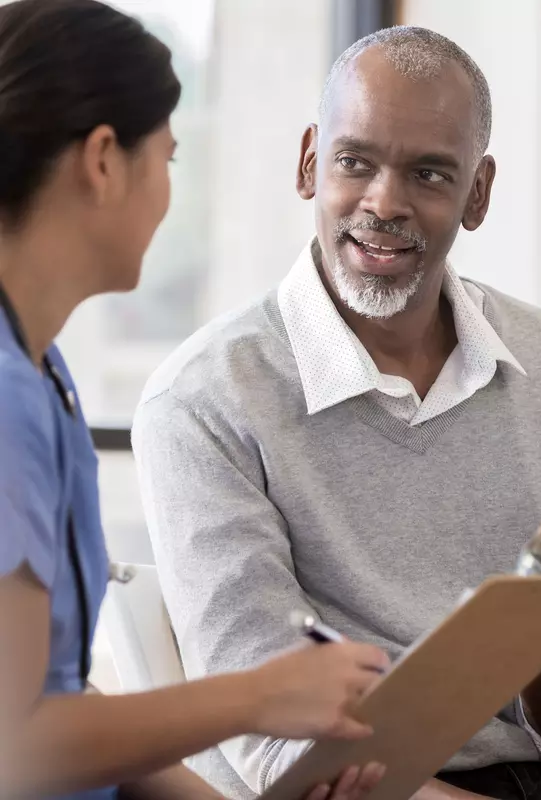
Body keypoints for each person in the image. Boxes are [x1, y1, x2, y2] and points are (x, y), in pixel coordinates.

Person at [133, 25, 541, 800]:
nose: (383, 203)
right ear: (310, 162)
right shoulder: (204, 399)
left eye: (430, 174)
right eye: (354, 162)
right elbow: (275, 739)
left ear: (478, 193)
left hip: (530, 778)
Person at [0, 2, 392, 799]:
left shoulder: (46, 379)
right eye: (168, 159)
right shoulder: (8, 402)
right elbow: (16, 747)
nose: (169, 196)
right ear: (104, 160)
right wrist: (259, 697)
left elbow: (59, 709)